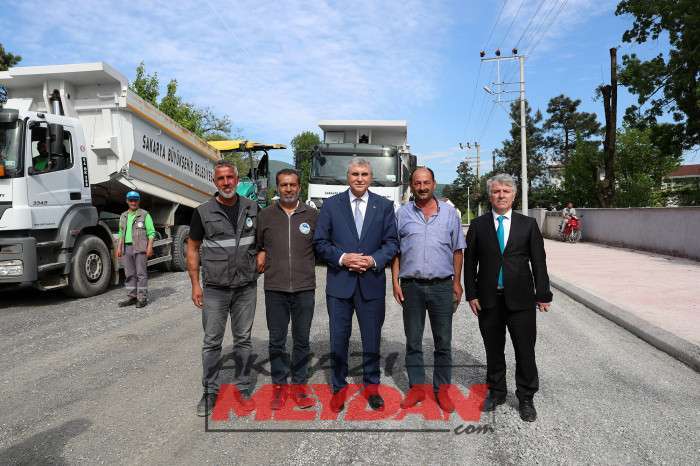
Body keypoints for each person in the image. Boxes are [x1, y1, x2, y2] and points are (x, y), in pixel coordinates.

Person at [464, 173, 553, 422]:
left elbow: (539, 261)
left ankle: (526, 397)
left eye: (506, 191)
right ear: (490, 195)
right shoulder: (478, 225)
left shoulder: (528, 225)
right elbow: (470, 263)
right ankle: (496, 391)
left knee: (525, 350)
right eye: (496, 191)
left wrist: (543, 294)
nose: (501, 195)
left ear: (514, 195)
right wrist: (471, 293)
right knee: (493, 349)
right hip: (488, 299)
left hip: (521, 300)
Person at [313, 158, 399, 412]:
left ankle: (372, 387)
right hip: (340, 285)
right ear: (347, 177)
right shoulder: (331, 205)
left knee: (371, 339)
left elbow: (392, 243)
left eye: (364, 174)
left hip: (371, 284)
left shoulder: (384, 206)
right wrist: (343, 258)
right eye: (355, 174)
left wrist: (373, 260)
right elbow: (320, 242)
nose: (359, 178)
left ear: (371, 177)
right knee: (338, 339)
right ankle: (339, 388)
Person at [187, 160, 259, 417]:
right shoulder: (202, 212)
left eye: (230, 177)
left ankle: (242, 388)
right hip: (215, 288)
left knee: (243, 340)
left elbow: (262, 239)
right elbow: (193, 248)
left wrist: (262, 253)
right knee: (211, 342)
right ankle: (210, 392)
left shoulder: (252, 208)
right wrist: (195, 284)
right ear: (214, 181)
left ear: (237, 180)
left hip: (246, 286)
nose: (226, 183)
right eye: (221, 178)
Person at [391, 167, 466, 412]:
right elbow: (395, 252)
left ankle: (441, 390)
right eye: (417, 183)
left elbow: (457, 250)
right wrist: (395, 282)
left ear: (434, 184)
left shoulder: (450, 214)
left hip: (442, 286)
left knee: (443, 341)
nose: (422, 187)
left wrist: (457, 282)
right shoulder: (402, 214)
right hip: (411, 286)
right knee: (413, 340)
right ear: (411, 186)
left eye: (426, 182)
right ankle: (416, 388)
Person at [256, 168, 318, 410]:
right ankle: (279, 387)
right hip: (275, 288)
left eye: (293, 185)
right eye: (284, 185)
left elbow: (321, 247)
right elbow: (258, 245)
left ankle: (299, 386)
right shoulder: (265, 215)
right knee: (277, 341)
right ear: (277, 187)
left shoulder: (312, 215)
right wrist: (261, 253)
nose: (289, 189)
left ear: (299, 187)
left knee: (302, 340)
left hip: (304, 288)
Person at [116, 191, 155, 308]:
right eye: (131, 200)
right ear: (127, 201)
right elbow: (120, 233)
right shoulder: (123, 216)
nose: (133, 202)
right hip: (126, 248)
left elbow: (151, 233)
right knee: (129, 274)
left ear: (139, 201)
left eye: (135, 200)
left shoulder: (144, 215)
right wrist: (119, 247)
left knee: (141, 273)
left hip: (140, 248)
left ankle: (142, 298)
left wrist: (149, 247)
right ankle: (132, 297)